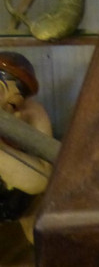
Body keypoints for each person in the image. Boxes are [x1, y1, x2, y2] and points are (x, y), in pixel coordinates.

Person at [0, 52, 52, 242]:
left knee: (40, 231)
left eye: (12, 104)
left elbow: (41, 180)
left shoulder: (30, 114)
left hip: (19, 200)